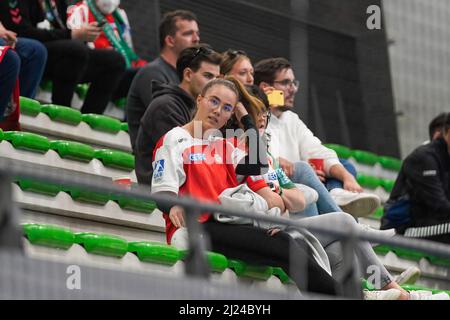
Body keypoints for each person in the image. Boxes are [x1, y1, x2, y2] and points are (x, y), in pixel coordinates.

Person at [151, 78, 341, 296]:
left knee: (289, 241)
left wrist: (246, 119)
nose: (217, 111)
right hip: (196, 227)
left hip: (227, 223)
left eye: (226, 108)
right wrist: (172, 205)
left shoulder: (224, 145)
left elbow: (259, 164)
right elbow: (162, 189)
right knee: (285, 245)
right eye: (213, 101)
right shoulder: (175, 138)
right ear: (200, 99)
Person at [253, 57, 380, 218]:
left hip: (299, 184)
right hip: (277, 187)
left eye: (294, 83)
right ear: (265, 88)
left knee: (344, 166)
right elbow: (258, 157)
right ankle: (348, 223)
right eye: (285, 83)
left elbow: (317, 151)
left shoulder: (291, 118)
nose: (293, 89)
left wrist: (347, 178)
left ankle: (335, 193)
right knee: (304, 169)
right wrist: (291, 164)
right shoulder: (255, 117)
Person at [1, 0, 126, 114]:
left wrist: (81, 35)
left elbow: (63, 30)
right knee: (74, 50)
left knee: (114, 61)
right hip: (32, 50)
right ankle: (62, 112)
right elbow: (21, 33)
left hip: (60, 54)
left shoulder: (57, 3)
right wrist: (72, 35)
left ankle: (90, 120)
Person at [134, 44, 222, 185]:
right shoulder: (166, 107)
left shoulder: (197, 108)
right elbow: (187, 161)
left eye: (217, 78)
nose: (214, 85)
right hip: (162, 195)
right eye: (208, 76)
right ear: (188, 74)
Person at [126, 9, 200, 150]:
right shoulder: (152, 73)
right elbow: (167, 120)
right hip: (155, 161)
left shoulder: (182, 75)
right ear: (170, 40)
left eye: (197, 33)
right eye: (188, 33)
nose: (196, 38)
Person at [384, 113, 450, 244]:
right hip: (403, 230)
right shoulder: (425, 158)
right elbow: (439, 206)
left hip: (433, 224)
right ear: (447, 131)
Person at [66, 0, 146, 102]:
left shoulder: (120, 17)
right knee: (114, 61)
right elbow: (73, 47)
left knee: (147, 74)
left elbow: (129, 51)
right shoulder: (79, 10)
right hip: (93, 69)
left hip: (119, 70)